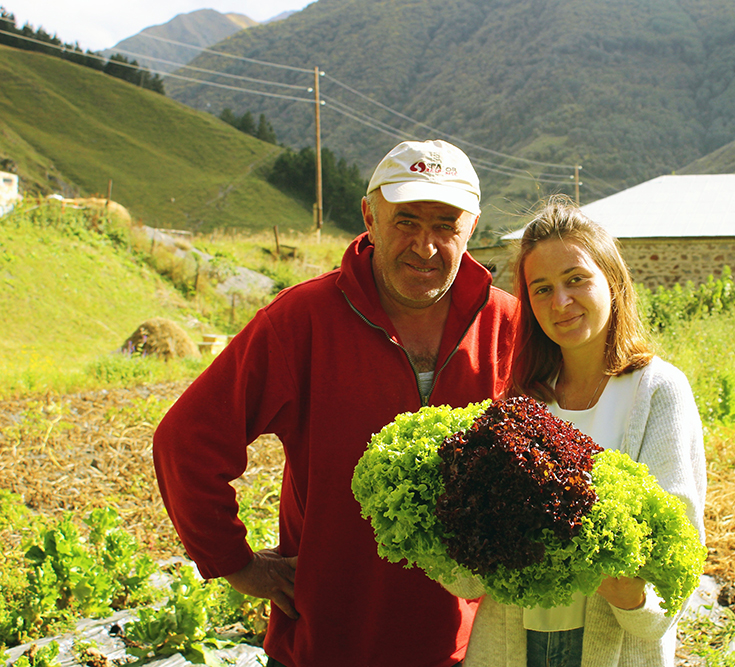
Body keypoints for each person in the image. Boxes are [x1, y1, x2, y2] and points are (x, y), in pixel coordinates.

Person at [152, 139, 519, 667]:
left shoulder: (507, 324)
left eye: (446, 225)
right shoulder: (302, 320)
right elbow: (186, 441)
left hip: (465, 648)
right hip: (325, 642)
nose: (425, 245)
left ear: (473, 228)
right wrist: (235, 562)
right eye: (406, 221)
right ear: (369, 216)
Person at [444, 196, 706, 667]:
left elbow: (678, 556)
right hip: (511, 646)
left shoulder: (657, 391)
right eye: (541, 289)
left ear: (612, 279)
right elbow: (471, 574)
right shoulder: (523, 401)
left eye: (576, 279)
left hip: (614, 648)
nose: (560, 302)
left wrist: (630, 593)